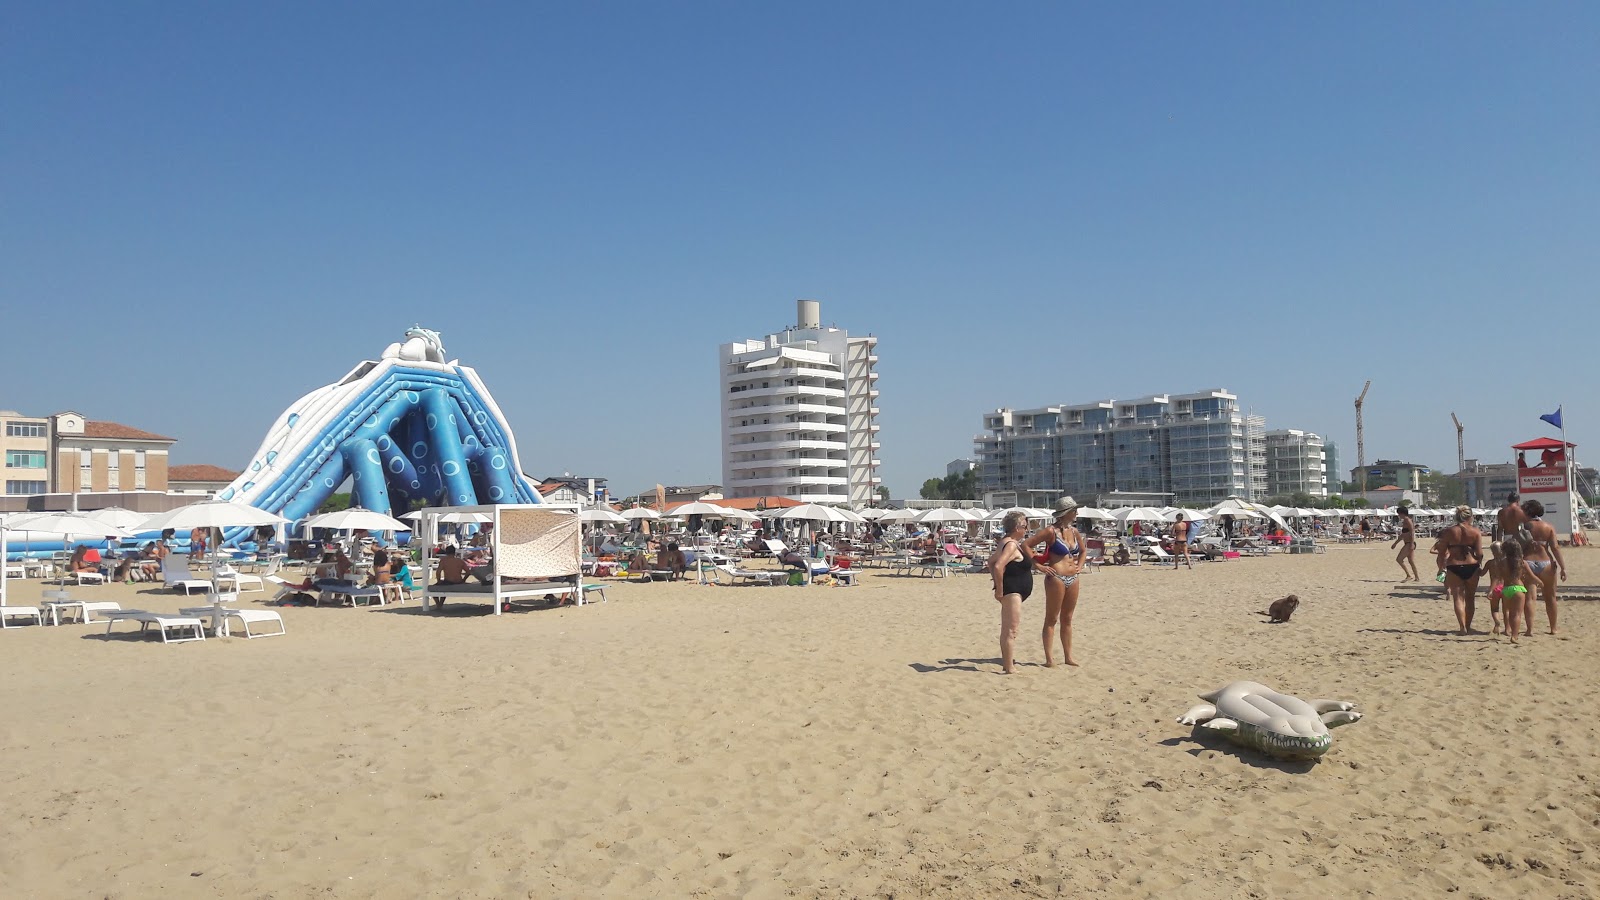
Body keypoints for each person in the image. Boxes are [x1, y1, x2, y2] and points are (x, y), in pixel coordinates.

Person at [1024, 496, 1085, 667]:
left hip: (1073, 577)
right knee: (1051, 619)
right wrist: (1037, 565)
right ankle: (1049, 659)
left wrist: (1080, 565)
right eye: (1074, 510)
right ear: (1067, 513)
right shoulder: (1050, 531)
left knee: (1068, 618)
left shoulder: (1074, 531)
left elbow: (1083, 551)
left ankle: (1068, 656)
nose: (1077, 513)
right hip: (1055, 577)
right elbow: (1026, 545)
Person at [988, 510, 1034, 675]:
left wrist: (997, 584)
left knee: (1008, 629)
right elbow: (998, 566)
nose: (1026, 530)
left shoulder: (1005, 542)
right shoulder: (1012, 544)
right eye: (1025, 526)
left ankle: (1007, 664)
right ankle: (1009, 666)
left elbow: (990, 562)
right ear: (1017, 527)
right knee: (1011, 630)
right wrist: (999, 589)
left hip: (1013, 591)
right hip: (1012, 591)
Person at [1520, 499, 1567, 635]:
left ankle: (1529, 629)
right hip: (1546, 562)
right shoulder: (1548, 526)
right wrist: (1563, 567)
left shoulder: (1523, 527)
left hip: (1527, 562)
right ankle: (1553, 628)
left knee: (1530, 597)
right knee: (1551, 597)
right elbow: (1555, 548)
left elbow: (1517, 547)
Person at [1436, 505, 1484, 635]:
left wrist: (1441, 568)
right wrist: (1479, 563)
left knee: (1457, 598)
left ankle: (1462, 627)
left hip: (1454, 565)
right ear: (1470, 517)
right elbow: (1479, 553)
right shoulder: (1475, 532)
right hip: (1471, 566)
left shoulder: (1448, 532)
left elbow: (1441, 552)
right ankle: (1468, 626)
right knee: (1470, 598)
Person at [1485, 539, 1536, 644]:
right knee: (1517, 614)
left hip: (1506, 589)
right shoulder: (1521, 562)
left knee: (1508, 612)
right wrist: (1541, 582)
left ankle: (1508, 629)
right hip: (1518, 588)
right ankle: (1514, 635)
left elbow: (1496, 577)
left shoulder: (1502, 563)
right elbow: (1532, 576)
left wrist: (1491, 590)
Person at [1391, 507, 1420, 582]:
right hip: (1408, 543)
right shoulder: (1405, 521)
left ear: (1402, 513)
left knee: (1399, 559)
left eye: (1399, 514)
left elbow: (1412, 532)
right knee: (1411, 561)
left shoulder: (1407, 520)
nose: (1398, 515)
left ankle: (1409, 575)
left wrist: (1411, 544)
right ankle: (1417, 577)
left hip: (1409, 543)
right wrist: (1395, 543)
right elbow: (1403, 535)